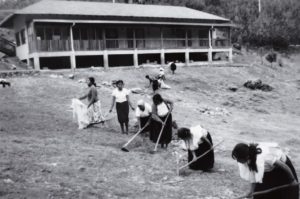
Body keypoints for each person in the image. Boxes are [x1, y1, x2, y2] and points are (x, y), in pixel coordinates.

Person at [232, 142, 299, 199]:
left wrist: (292, 180)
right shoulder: (248, 159)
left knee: (288, 193)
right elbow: (253, 174)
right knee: (259, 195)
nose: (237, 161)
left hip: (281, 170)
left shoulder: (265, 158)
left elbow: (283, 166)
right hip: (266, 170)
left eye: (238, 158)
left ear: (246, 156)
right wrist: (251, 191)